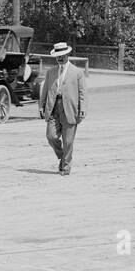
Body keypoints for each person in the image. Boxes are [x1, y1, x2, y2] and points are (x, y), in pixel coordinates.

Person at [38, 42, 87, 175]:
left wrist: (82, 109)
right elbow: (45, 90)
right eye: (57, 56)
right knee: (51, 136)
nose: (60, 58)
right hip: (53, 107)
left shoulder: (77, 72)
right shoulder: (51, 72)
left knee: (68, 141)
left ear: (67, 55)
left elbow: (82, 93)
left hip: (70, 109)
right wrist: (41, 106)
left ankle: (66, 166)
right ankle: (62, 156)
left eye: (62, 55)